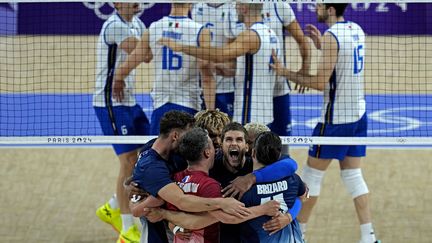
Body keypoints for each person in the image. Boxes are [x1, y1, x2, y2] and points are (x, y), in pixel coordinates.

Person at [270, 4, 380, 243]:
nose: (315, 7)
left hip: (335, 120)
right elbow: (343, 61)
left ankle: (298, 236)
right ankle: (368, 236)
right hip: (358, 114)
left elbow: (320, 83)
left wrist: (283, 71)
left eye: (320, 4)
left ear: (330, 9)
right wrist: (323, 47)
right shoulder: (355, 29)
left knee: (310, 177)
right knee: (352, 175)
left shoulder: (333, 36)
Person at [129, 111, 250, 243]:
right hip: (163, 231)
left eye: (220, 137)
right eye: (210, 136)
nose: (216, 142)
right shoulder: (180, 157)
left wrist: (251, 178)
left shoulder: (223, 159)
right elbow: (180, 201)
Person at [158, 2, 280, 127]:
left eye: (237, 6)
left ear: (244, 8)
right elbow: (253, 69)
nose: (235, 8)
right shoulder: (271, 34)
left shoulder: (250, 36)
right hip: (265, 112)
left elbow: (220, 54)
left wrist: (181, 47)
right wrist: (221, 69)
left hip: (250, 112)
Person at [114, 3, 215, 135]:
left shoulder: (154, 28)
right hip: (188, 104)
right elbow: (206, 76)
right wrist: (211, 113)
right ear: (190, 3)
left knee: (157, 154)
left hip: (161, 106)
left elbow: (128, 64)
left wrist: (118, 78)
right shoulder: (201, 31)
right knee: (187, 154)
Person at [93, 3, 148, 242]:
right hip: (110, 104)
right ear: (116, 4)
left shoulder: (138, 24)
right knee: (128, 161)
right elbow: (143, 53)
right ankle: (127, 229)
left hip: (130, 101)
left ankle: (113, 205)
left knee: (148, 152)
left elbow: (145, 56)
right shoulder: (114, 26)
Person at [225, 2, 311, 143]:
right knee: (250, 142)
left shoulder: (279, 6)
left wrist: (305, 71)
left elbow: (302, 40)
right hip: (252, 88)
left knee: (282, 142)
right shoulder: (234, 9)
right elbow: (229, 55)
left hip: (278, 88)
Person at [240, 131, 307, 242]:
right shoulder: (293, 180)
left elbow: (233, 218)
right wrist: (289, 216)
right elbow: (305, 195)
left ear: (253, 153)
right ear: (279, 155)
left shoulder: (246, 191)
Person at [167, 127, 221, 242]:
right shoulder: (210, 185)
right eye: (212, 146)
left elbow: (170, 217)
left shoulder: (174, 179)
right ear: (207, 152)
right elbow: (217, 218)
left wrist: (176, 228)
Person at [191, 3, 236, 118]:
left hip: (227, 85)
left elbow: (234, 50)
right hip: (201, 86)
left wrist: (219, 65)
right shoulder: (195, 8)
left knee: (226, 130)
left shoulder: (233, 8)